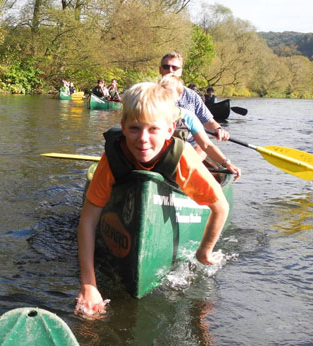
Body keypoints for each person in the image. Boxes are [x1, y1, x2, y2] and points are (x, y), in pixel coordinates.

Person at [76, 82, 231, 316]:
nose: (143, 139)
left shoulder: (183, 158)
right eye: (135, 128)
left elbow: (221, 207)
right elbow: (88, 221)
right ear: (123, 127)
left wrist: (204, 252)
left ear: (169, 130)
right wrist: (89, 284)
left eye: (153, 129)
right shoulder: (113, 157)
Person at [159, 75, 241, 179]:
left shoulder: (188, 117)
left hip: (180, 157)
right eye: (161, 92)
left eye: (168, 93)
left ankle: (184, 173)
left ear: (179, 95)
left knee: (194, 149)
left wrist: (227, 163)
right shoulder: (150, 112)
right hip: (157, 157)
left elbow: (207, 145)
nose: (164, 97)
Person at [159, 52, 229, 143]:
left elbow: (208, 121)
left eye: (175, 67)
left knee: (202, 147)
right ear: (160, 70)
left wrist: (219, 129)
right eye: (166, 67)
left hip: (190, 144)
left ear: (181, 71)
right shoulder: (149, 94)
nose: (170, 70)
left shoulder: (192, 96)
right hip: (160, 144)